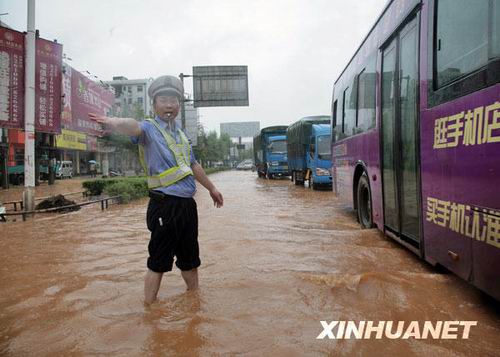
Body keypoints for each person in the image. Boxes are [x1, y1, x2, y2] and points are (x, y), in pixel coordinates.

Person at [89, 75, 224, 304]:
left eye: (174, 100)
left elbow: (193, 164)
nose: (169, 105)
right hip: (164, 205)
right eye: (163, 99)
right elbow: (132, 127)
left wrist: (211, 188)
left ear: (179, 106)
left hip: (187, 206)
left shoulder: (181, 135)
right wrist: (112, 121)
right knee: (158, 262)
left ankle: (194, 303)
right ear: (154, 105)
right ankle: (149, 310)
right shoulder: (149, 129)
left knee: (190, 260)